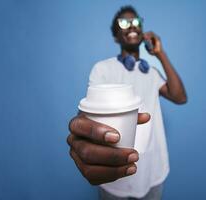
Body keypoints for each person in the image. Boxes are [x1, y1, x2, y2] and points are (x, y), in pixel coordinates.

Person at [67, 5, 187, 200]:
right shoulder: (103, 69)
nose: (132, 26)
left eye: (136, 22)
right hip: (116, 178)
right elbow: (89, 116)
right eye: (124, 23)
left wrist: (160, 54)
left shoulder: (151, 72)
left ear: (142, 31)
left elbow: (180, 97)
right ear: (116, 37)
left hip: (153, 171)